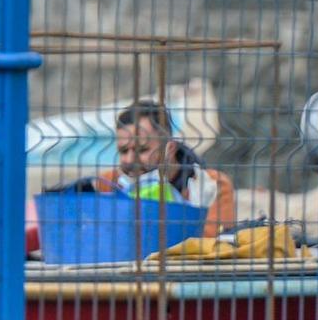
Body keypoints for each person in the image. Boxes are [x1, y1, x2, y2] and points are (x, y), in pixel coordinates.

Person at [97, 97, 234, 237]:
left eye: (142, 150)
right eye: (123, 151)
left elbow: (212, 242)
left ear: (170, 148)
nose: (130, 160)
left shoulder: (210, 185)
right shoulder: (108, 183)